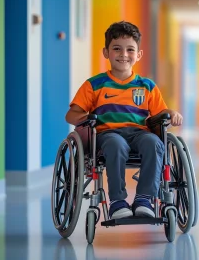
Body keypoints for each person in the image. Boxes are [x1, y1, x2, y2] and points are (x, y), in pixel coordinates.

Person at [65, 21, 183, 220]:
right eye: (117, 49)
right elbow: (71, 115)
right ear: (106, 52)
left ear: (138, 55)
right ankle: (117, 202)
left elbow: (159, 112)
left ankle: (144, 199)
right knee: (116, 144)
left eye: (130, 49)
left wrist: (171, 112)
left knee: (154, 143)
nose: (124, 54)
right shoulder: (94, 84)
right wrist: (87, 118)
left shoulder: (147, 86)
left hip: (139, 133)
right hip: (107, 134)